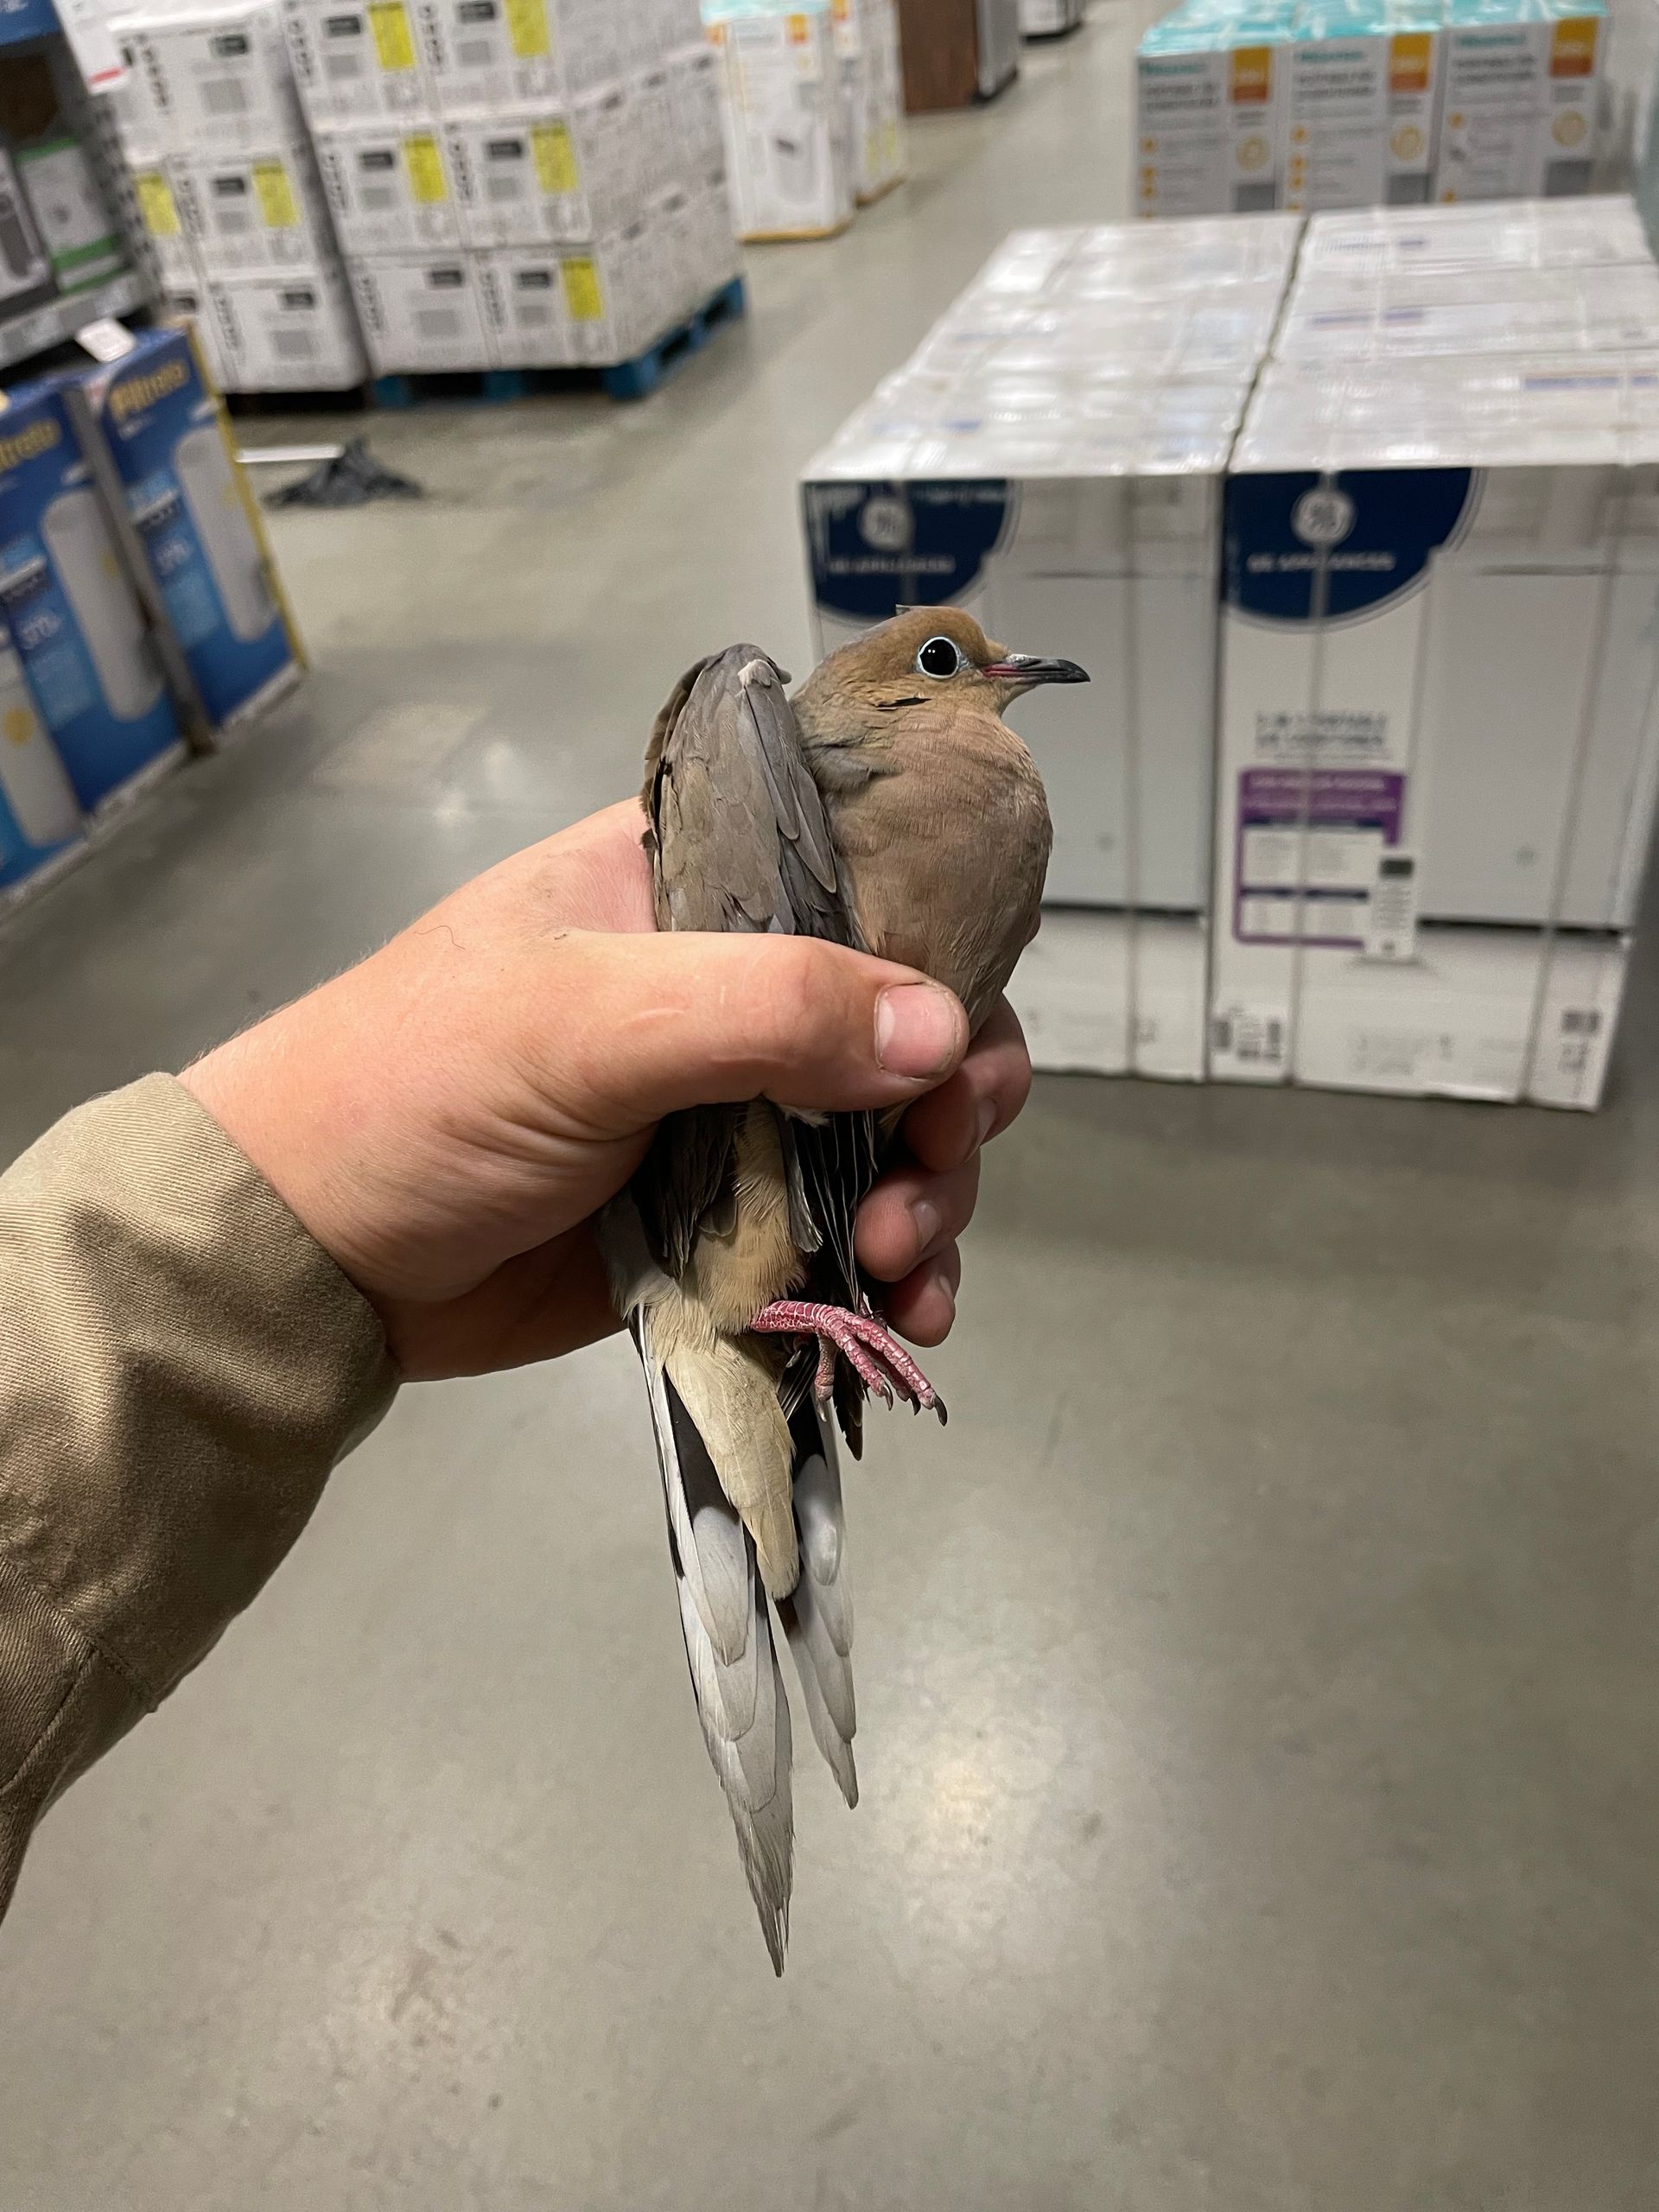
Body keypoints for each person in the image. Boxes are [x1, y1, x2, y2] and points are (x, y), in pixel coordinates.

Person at [0, 799, 1033, 1926]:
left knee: (802, 1428)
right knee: (764, 1506)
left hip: (740, 1235)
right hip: (714, 1255)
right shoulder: (761, 745)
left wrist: (291, 1244)